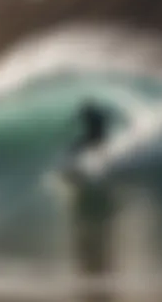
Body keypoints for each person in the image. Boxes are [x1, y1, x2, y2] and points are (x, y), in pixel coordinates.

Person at [62, 101, 115, 277]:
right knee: (77, 149)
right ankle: (76, 172)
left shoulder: (94, 117)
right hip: (98, 139)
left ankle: (76, 172)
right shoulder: (95, 116)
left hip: (98, 139)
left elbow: (100, 130)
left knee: (77, 148)